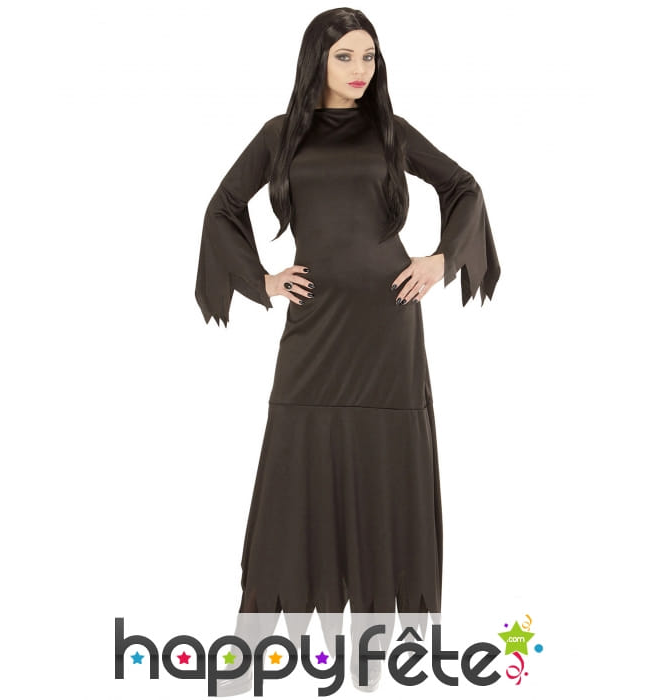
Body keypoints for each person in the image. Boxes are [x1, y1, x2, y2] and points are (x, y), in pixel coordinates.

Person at [195, 7, 501, 694]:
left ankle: (380, 656)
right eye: (345, 56)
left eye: (369, 55)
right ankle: (257, 654)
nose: (361, 69)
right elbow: (222, 207)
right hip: (314, 329)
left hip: (388, 328)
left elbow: (464, 187)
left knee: (385, 468)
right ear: (317, 60)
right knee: (293, 465)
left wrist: (441, 259)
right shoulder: (280, 135)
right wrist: (262, 280)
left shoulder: (391, 132)